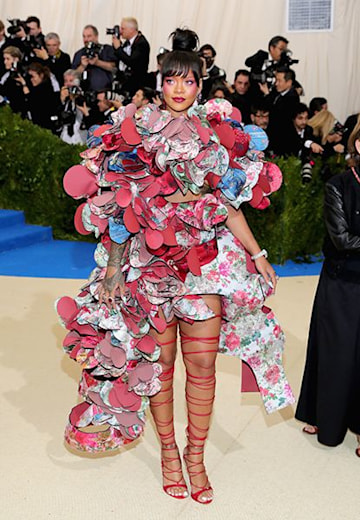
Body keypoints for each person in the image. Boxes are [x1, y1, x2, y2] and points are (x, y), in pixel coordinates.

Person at [57, 28, 294, 505]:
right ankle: (168, 452)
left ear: (201, 86)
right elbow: (120, 212)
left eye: (189, 80)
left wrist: (257, 253)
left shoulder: (216, 135)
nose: (179, 88)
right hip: (151, 266)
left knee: (202, 363)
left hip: (205, 263)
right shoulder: (136, 133)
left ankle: (196, 456)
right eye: (171, 79)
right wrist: (114, 270)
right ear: (161, 83)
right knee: (161, 365)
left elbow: (227, 203)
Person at [295, 128, 360, 455]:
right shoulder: (338, 185)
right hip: (342, 280)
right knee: (335, 350)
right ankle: (324, 416)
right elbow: (343, 240)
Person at [111, 17, 150, 98]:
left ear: (131, 29)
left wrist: (118, 49)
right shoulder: (127, 43)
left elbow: (132, 62)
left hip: (136, 85)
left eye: (123, 29)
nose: (120, 31)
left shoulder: (141, 43)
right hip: (124, 83)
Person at [72, 25, 116, 92]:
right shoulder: (79, 54)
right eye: (84, 36)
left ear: (96, 36)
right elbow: (73, 76)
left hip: (104, 93)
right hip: (84, 93)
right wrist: (82, 66)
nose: (86, 39)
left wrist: (97, 62)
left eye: (89, 36)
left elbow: (114, 68)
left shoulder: (107, 49)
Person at [0, 46, 27, 116]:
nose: (5, 62)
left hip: (17, 113)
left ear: (16, 59)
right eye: (4, 59)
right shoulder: (6, 73)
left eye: (8, 59)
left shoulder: (22, 74)